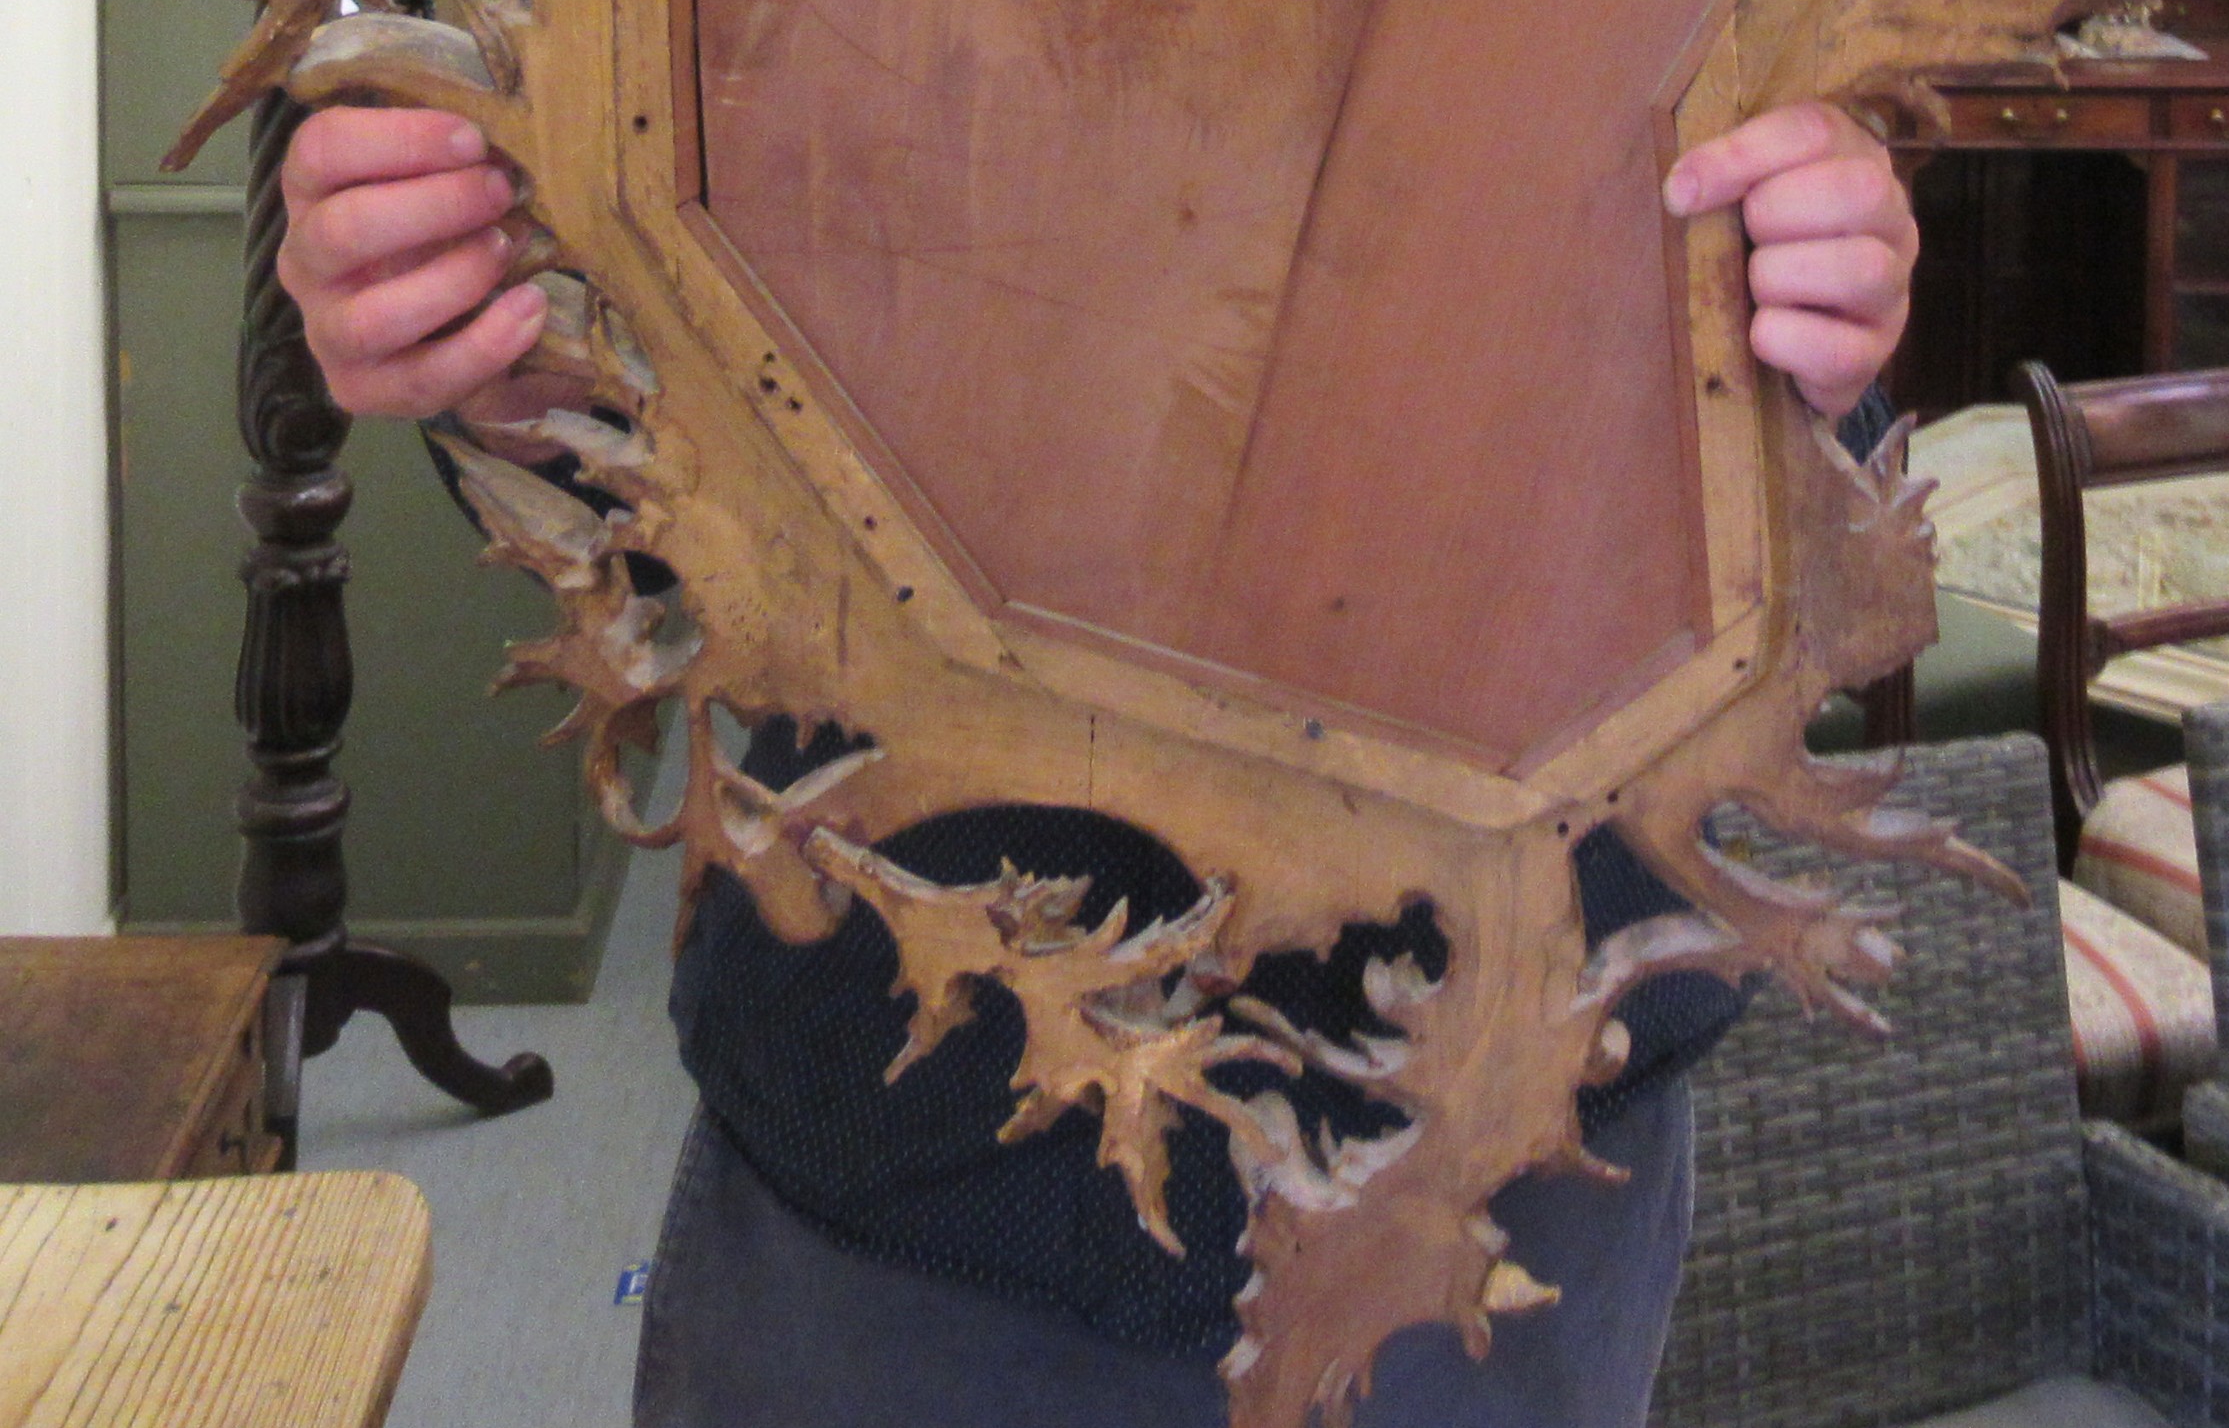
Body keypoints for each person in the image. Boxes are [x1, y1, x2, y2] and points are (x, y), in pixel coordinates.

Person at [281, 97, 1915, 1427]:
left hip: (1485, 1130)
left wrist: (1810, 315)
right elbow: (661, 393)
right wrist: (509, 351)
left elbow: (1782, 404)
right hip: (916, 1124)